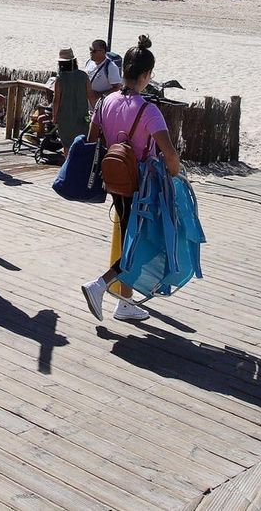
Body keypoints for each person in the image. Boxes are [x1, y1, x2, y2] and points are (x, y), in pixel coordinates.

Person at [80, 35, 182, 322]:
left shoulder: (104, 103)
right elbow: (169, 153)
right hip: (141, 187)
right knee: (142, 245)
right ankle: (99, 286)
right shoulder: (149, 111)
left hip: (114, 181)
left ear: (123, 69)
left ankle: (125, 302)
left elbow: (92, 140)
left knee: (130, 237)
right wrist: (176, 174)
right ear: (147, 75)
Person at [52, 48, 90, 149]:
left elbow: (56, 100)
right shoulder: (83, 76)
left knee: (67, 145)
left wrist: (54, 117)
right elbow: (91, 96)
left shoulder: (60, 78)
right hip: (82, 117)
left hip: (65, 118)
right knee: (81, 144)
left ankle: (68, 164)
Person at [85, 39, 121, 105]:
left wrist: (99, 94)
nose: (91, 52)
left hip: (101, 105)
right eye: (90, 49)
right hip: (87, 104)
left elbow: (117, 88)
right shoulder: (89, 62)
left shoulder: (111, 67)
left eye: (94, 51)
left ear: (102, 51)